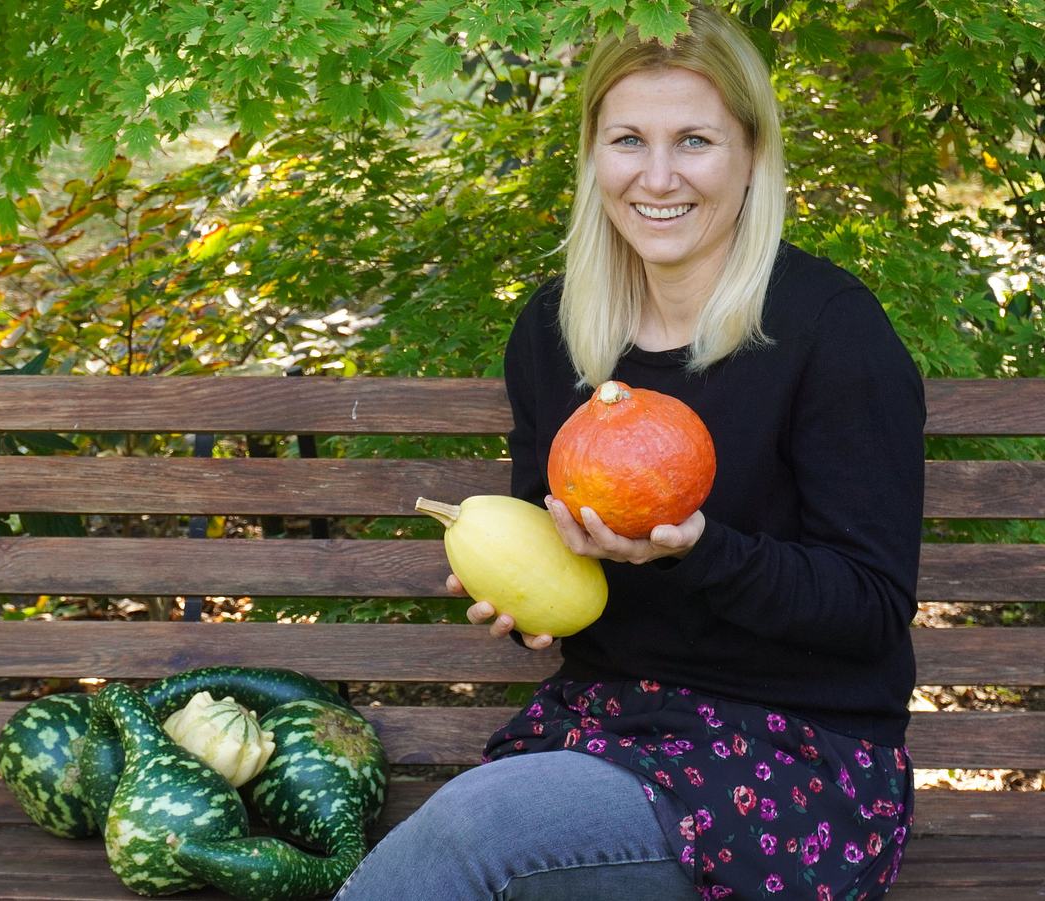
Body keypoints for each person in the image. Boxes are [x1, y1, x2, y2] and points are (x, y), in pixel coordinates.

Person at [335, 5, 924, 899]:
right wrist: (530, 596)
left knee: (471, 834)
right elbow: (561, 547)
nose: (657, 176)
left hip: (798, 757)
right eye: (627, 140)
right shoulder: (556, 330)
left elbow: (871, 606)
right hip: (607, 726)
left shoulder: (830, 333)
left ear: (751, 155)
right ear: (592, 156)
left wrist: (701, 551)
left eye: (693, 140)